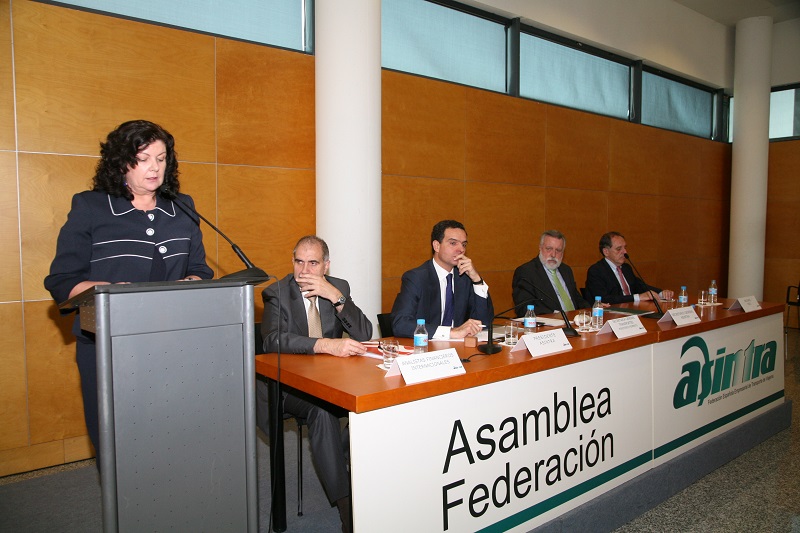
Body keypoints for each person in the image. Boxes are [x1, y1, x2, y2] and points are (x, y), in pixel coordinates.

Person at [44, 120, 214, 465]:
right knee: (120, 448)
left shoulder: (181, 207)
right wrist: (108, 291)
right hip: (109, 346)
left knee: (174, 439)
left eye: (162, 158)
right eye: (144, 157)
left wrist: (191, 284)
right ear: (122, 161)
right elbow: (62, 280)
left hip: (173, 343)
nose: (155, 167)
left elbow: (201, 270)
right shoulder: (92, 207)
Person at [260, 235, 372, 533]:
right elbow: (272, 340)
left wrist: (335, 297)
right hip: (286, 388)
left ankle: (344, 460)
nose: (304, 270)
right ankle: (349, 511)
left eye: (313, 263)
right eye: (299, 261)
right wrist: (324, 344)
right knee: (322, 412)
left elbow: (364, 332)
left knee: (373, 404)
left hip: (329, 380)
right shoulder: (277, 292)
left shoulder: (338, 287)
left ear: (326, 265)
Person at [391, 220, 494, 339]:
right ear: (436, 246)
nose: (461, 249)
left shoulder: (464, 278)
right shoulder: (417, 278)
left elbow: (484, 323)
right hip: (427, 349)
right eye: (453, 243)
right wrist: (451, 332)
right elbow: (400, 324)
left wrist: (477, 280)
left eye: (464, 244)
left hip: (459, 350)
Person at [512, 230, 591, 316]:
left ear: (563, 252)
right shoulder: (526, 272)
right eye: (549, 249)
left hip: (575, 322)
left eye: (558, 250)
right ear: (540, 248)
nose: (553, 254)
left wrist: (592, 309)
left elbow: (576, 299)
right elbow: (523, 308)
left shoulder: (566, 270)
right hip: (549, 325)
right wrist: (555, 315)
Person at [585, 231, 674, 304]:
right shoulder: (596, 271)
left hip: (633, 310)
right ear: (606, 252)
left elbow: (641, 286)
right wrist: (637, 297)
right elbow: (604, 299)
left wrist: (661, 293)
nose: (625, 252)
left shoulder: (626, 268)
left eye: (625, 248)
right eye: (619, 249)